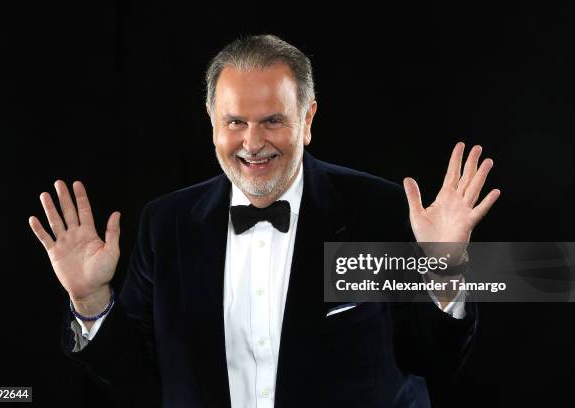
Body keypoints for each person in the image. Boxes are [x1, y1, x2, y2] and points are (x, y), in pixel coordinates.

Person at [29, 34, 500, 407]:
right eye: (235, 122)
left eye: (273, 120)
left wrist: (444, 269)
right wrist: (90, 300)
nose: (253, 143)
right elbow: (137, 381)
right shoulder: (165, 224)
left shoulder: (379, 210)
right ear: (213, 122)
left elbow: (432, 359)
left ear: (308, 118)